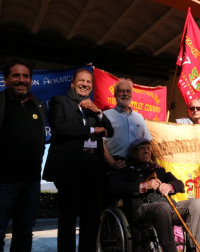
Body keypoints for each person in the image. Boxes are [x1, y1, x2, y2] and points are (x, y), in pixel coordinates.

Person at [42, 69, 114, 252]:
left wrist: (98, 112)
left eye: (89, 82)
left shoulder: (93, 107)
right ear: (73, 83)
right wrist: (93, 131)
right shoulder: (59, 101)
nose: (85, 84)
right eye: (81, 81)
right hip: (69, 167)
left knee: (91, 217)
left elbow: (110, 131)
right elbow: (60, 128)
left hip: (93, 166)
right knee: (68, 216)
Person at [107, 138, 200, 252]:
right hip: (140, 209)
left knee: (195, 203)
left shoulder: (157, 169)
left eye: (148, 148)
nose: (146, 150)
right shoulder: (125, 169)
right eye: (142, 148)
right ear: (133, 153)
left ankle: (194, 249)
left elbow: (179, 184)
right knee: (163, 208)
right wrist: (144, 186)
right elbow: (113, 187)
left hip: (167, 207)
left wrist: (170, 186)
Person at [0, 60, 46, 252]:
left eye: (25, 76)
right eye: (16, 76)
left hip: (32, 183)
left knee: (24, 234)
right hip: (3, 183)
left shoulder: (38, 105)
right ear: (6, 79)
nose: (21, 80)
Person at [103, 78, 152, 169]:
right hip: (114, 165)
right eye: (121, 91)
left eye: (128, 91)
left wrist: (151, 161)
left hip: (137, 166)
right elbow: (101, 143)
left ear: (131, 94)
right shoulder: (106, 115)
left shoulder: (139, 117)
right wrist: (112, 163)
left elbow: (148, 142)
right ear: (115, 94)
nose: (125, 94)